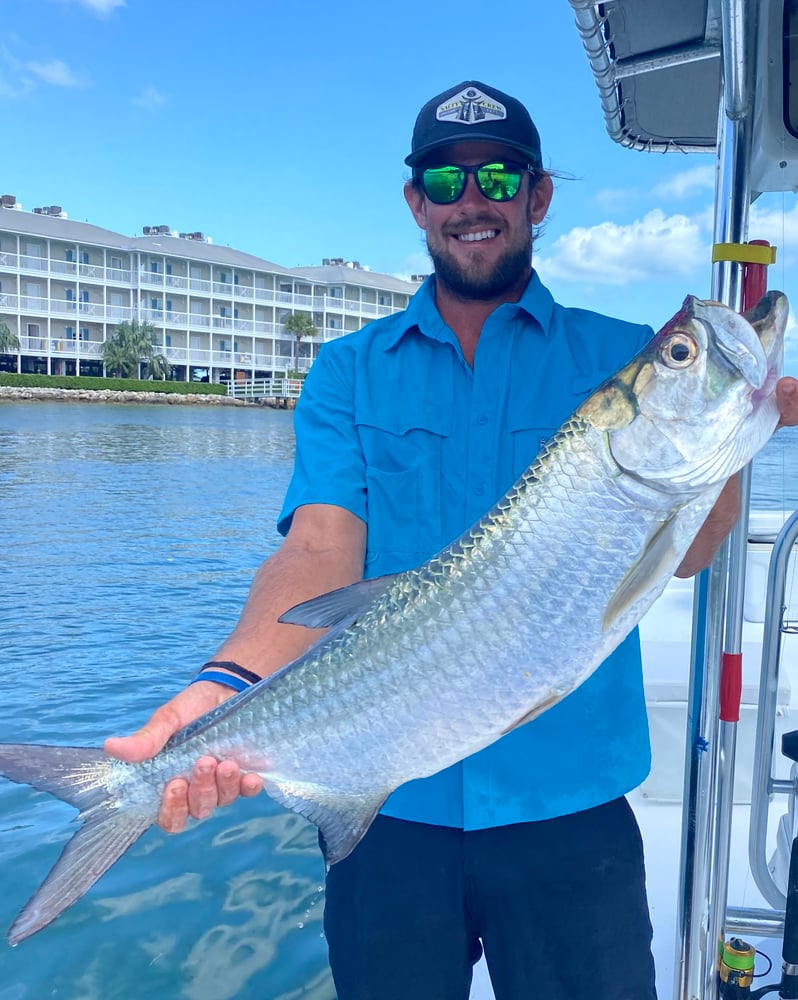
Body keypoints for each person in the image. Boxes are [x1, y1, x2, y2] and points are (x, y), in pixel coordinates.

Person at [106, 81, 798, 999]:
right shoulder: (348, 372)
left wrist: (735, 437)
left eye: (500, 175)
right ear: (418, 203)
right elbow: (319, 549)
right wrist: (224, 686)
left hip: (570, 809)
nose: (473, 199)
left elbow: (694, 547)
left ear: (538, 197)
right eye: (446, 177)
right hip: (384, 798)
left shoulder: (615, 352)